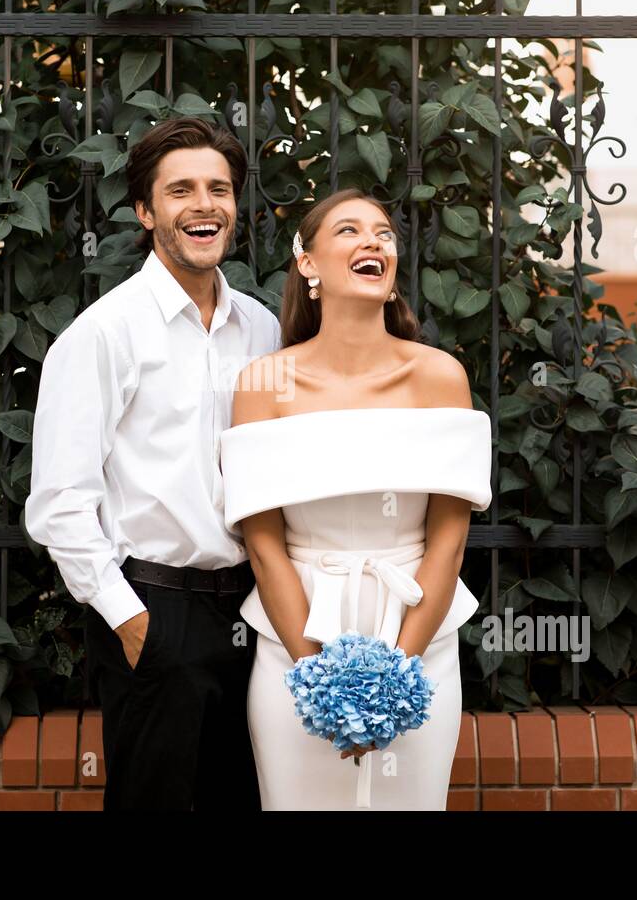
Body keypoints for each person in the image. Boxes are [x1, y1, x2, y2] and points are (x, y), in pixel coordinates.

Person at [23, 116, 281, 810]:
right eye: (181, 191)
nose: (205, 205)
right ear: (145, 210)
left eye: (219, 189)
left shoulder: (263, 328)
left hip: (254, 613)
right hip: (155, 611)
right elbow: (60, 504)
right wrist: (132, 622)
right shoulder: (103, 334)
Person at [220, 188, 492, 810]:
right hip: (295, 641)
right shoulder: (263, 384)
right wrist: (317, 680)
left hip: (420, 637)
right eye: (348, 231)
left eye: (384, 234)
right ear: (308, 263)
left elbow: (448, 544)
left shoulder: (440, 377)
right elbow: (264, 548)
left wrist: (397, 676)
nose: (373, 242)